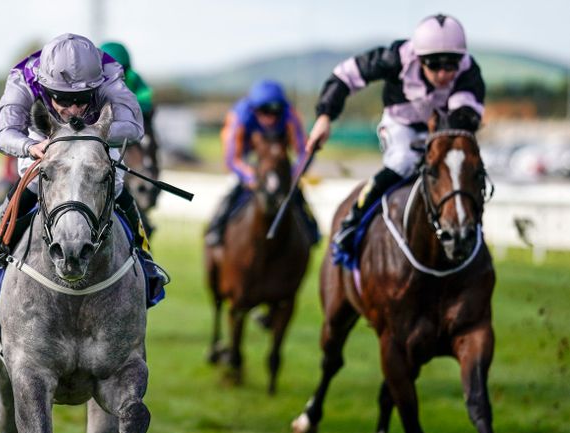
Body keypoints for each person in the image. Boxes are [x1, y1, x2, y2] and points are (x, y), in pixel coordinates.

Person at [0, 33, 163, 303]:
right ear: (46, 88)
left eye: (83, 99)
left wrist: (92, 133)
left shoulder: (108, 72)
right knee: (33, 180)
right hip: (42, 135)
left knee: (114, 181)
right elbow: (4, 134)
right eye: (64, 99)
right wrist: (27, 147)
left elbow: (134, 126)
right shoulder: (22, 78)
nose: (74, 109)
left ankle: (143, 258)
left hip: (95, 133)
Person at [305, 13, 485, 254]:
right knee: (402, 161)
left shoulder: (469, 71)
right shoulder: (395, 58)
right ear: (419, 58)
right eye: (434, 64)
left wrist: (439, 136)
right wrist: (325, 116)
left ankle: (470, 229)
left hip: (446, 131)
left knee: (459, 168)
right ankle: (353, 220)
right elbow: (345, 75)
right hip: (401, 126)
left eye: (451, 64)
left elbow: (463, 116)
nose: (443, 73)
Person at [204, 79, 316, 246]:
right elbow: (232, 159)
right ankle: (216, 228)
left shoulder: (290, 114)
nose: (270, 117)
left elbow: (305, 152)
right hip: (249, 159)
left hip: (279, 161)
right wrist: (251, 178)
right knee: (233, 192)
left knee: (296, 195)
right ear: (254, 109)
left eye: (276, 111)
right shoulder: (240, 115)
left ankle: (312, 230)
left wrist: (292, 176)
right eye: (264, 111)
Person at [100, 41, 159, 177]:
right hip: (107, 121)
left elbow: (145, 97)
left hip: (134, 120)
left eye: (121, 68)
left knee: (149, 139)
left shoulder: (133, 77)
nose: (118, 73)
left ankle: (152, 170)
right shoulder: (96, 80)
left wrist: (136, 108)